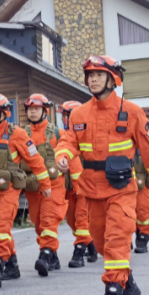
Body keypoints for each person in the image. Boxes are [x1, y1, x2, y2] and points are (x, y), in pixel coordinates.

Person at [56, 56, 149, 295]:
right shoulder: (78, 114)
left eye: (99, 74)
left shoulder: (132, 112)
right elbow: (68, 141)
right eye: (90, 75)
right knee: (100, 241)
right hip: (91, 189)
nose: (93, 79)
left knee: (118, 240)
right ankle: (129, 286)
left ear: (113, 78)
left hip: (122, 189)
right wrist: (62, 155)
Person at [0, 94, 50, 288]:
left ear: (4, 113)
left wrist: (46, 185)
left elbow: (35, 160)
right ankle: (12, 263)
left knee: (1, 226)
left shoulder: (17, 134)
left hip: (8, 190)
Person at [22, 94, 67, 277]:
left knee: (49, 220)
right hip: (33, 187)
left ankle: (45, 254)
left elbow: (67, 151)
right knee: (39, 224)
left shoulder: (57, 133)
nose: (32, 112)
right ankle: (53, 256)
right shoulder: (21, 134)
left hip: (54, 185)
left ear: (44, 111)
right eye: (30, 109)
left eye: (36, 109)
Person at [59, 101, 96, 267]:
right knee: (72, 221)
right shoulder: (62, 136)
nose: (66, 120)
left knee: (82, 220)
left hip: (85, 187)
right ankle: (92, 247)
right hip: (69, 188)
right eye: (65, 116)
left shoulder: (91, 135)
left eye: (68, 116)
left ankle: (79, 252)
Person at [133, 150, 149, 254]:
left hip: (142, 189)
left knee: (144, 215)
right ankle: (127, 240)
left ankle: (142, 239)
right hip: (123, 187)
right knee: (123, 216)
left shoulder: (145, 147)